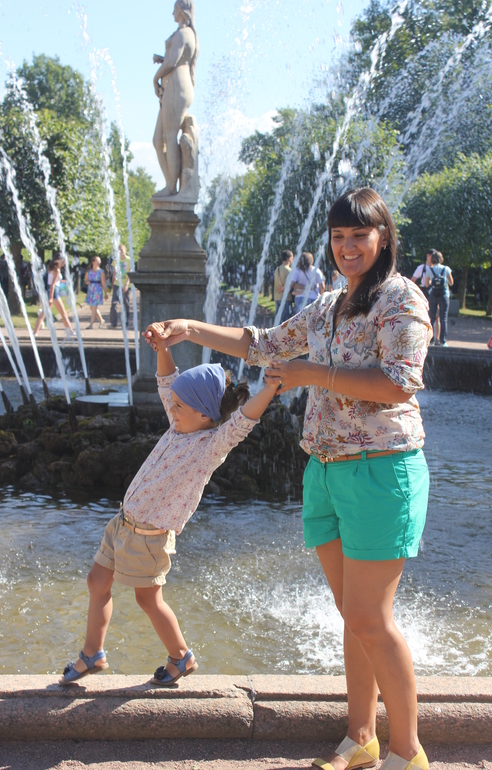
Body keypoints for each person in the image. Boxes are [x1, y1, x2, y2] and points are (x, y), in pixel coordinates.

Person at [146, 187, 432, 770]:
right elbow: (263, 346)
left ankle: (408, 752)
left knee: (372, 621)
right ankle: (361, 738)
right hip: (325, 471)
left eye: (359, 235)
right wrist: (191, 329)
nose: (347, 247)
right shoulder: (327, 306)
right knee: (354, 618)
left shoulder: (401, 299)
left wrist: (312, 373)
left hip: (381, 470)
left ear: (383, 238)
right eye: (338, 237)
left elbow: (398, 383)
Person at [59, 333, 279, 686]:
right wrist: (162, 347)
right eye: (172, 404)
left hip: (149, 537)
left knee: (148, 599)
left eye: (178, 406)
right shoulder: (179, 426)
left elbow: (241, 423)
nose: (170, 410)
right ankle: (93, 652)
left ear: (204, 414)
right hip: (122, 523)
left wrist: (269, 389)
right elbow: (167, 383)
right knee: (96, 582)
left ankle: (181, 656)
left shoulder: (210, 447)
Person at [153, 1, 198, 197]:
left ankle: (172, 187)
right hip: (173, 88)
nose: (172, 13)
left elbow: (173, 62)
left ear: (180, 10)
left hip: (177, 87)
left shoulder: (184, 33)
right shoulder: (184, 34)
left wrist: (155, 78)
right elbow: (173, 59)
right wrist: (162, 61)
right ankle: (170, 184)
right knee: (158, 140)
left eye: (174, 9)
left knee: (170, 136)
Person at [34, 255, 75, 339]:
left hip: (50, 291)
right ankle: (70, 331)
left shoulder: (52, 269)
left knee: (43, 313)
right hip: (54, 292)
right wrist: (51, 298)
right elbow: (53, 284)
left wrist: (63, 281)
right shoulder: (57, 270)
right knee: (63, 313)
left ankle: (35, 332)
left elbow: (53, 281)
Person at [426, 251, 453, 346]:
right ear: (441, 259)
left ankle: (431, 340)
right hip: (444, 294)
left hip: (433, 294)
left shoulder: (430, 269)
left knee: (431, 317)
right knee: (443, 318)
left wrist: (433, 282)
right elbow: (451, 282)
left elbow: (426, 284)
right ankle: (443, 341)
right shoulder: (446, 269)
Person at [110, 245, 131, 329]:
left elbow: (130, 273)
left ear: (125, 250)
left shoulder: (129, 260)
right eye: (119, 250)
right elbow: (114, 273)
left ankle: (125, 321)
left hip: (126, 284)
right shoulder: (116, 260)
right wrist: (113, 284)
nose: (120, 251)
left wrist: (127, 285)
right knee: (114, 303)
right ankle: (113, 322)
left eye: (122, 249)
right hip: (117, 284)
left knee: (126, 303)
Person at [85, 256, 109, 329]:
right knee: (92, 308)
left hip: (97, 291)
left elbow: (103, 283)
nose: (99, 263)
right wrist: (87, 282)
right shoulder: (89, 271)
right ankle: (101, 320)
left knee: (94, 308)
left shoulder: (101, 272)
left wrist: (105, 293)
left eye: (99, 261)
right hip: (90, 290)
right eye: (97, 261)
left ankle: (91, 325)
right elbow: (86, 280)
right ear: (93, 262)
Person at [273, 249, 294, 322]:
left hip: (277, 297)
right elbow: (290, 285)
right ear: (289, 258)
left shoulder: (277, 269)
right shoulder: (289, 271)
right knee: (286, 321)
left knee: (279, 320)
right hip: (286, 298)